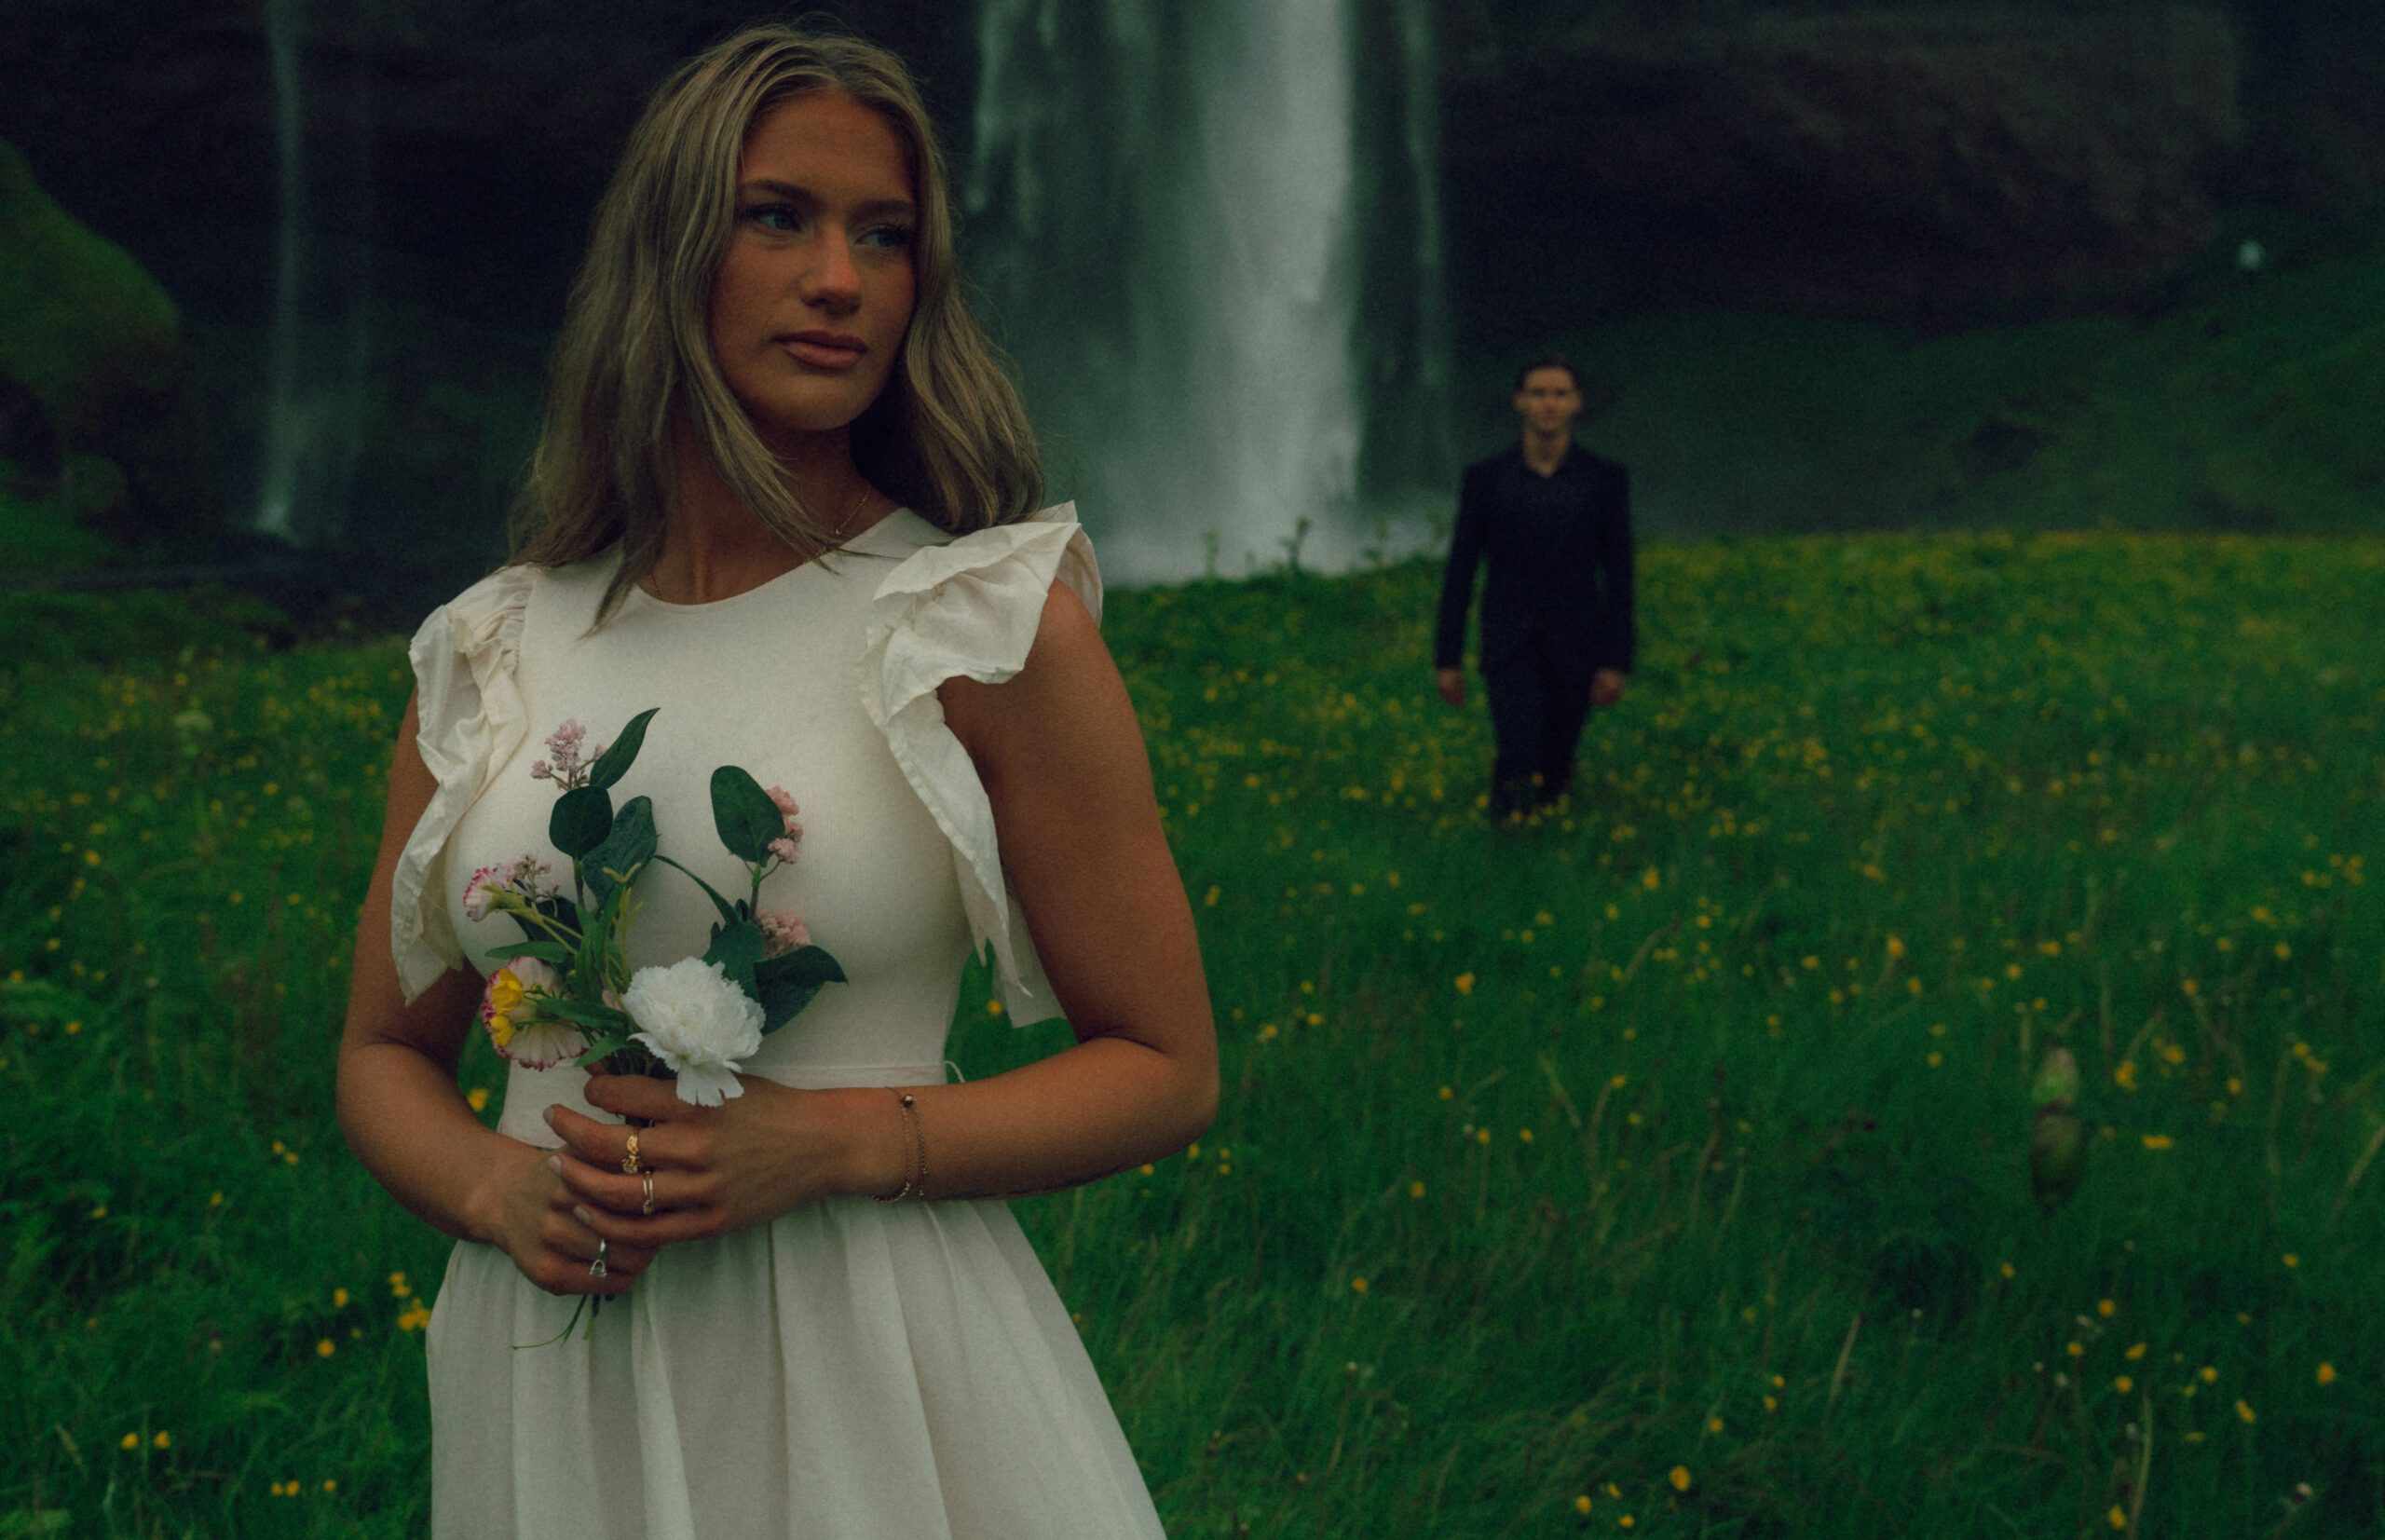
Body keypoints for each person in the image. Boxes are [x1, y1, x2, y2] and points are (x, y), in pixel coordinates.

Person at [335, 28, 1215, 1538]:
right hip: (561, 1362)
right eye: (780, 216)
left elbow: (1167, 1063)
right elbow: (380, 1052)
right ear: (670, 251)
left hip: (866, 1360)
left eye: (886, 237)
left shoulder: (978, 624)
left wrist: (842, 1138)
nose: (842, 279)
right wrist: (499, 1189)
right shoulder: (493, 645)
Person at [1433, 355, 1634, 818]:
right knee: (1519, 751)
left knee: (1558, 761)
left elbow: (1620, 577)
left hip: (1577, 641)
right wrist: (1447, 658)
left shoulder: (1604, 480)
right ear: (1520, 402)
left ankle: (1549, 858)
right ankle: (1505, 843)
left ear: (1577, 403)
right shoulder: (1486, 480)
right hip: (1510, 641)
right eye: (1539, 393)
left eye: (1560, 394)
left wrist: (1616, 661)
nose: (1549, 403)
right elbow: (1461, 570)